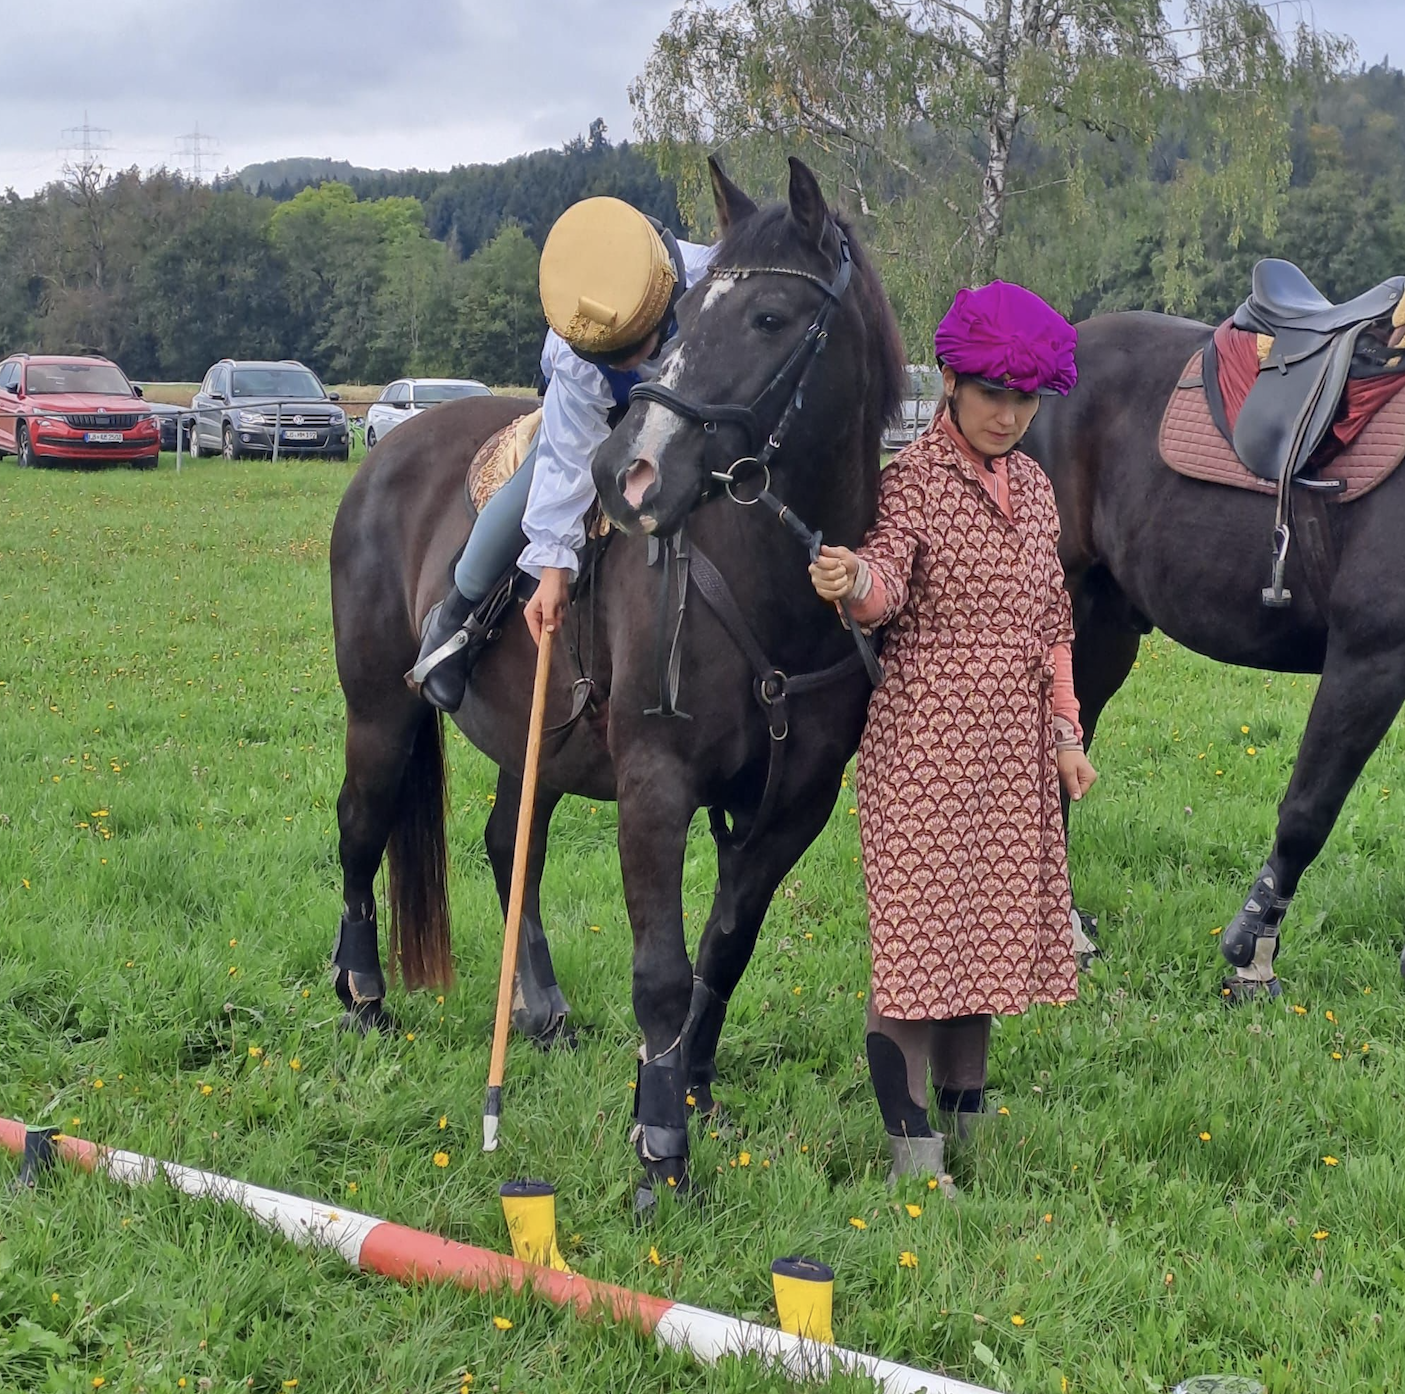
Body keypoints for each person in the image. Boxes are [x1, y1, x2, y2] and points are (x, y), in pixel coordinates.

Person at [808, 281, 1098, 1188]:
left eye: (1024, 398)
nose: (1010, 415)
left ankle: (968, 1135)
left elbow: (1053, 620)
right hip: (925, 755)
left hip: (1013, 757)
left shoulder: (1040, 491)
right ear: (949, 383)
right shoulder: (912, 485)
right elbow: (886, 585)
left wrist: (1064, 734)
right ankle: (911, 1155)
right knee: (916, 949)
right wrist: (853, 579)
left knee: (984, 941)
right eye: (992, 395)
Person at [412, 197, 715, 711]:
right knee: (536, 477)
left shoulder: (712, 283)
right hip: (601, 414)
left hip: (693, 409)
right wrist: (553, 568)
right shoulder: (578, 347)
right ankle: (453, 620)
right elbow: (568, 452)